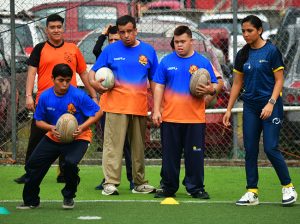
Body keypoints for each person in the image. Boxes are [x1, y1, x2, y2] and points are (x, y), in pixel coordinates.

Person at [14, 13, 98, 184]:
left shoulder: (73, 49)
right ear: (46, 30)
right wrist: (29, 96)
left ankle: (64, 173)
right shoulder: (40, 48)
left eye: (59, 27)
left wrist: (94, 95)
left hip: (70, 104)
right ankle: (30, 172)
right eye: (52, 27)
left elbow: (82, 72)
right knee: (36, 138)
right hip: (46, 103)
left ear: (63, 28)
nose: (56, 30)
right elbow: (31, 73)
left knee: (67, 136)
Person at [223, 15, 297, 206]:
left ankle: (288, 187)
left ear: (260, 30)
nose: (246, 34)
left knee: (271, 148)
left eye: (250, 31)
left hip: (271, 106)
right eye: (244, 31)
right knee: (250, 150)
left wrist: (271, 103)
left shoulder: (271, 51)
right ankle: (252, 192)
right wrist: (228, 109)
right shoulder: (242, 55)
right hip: (250, 107)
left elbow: (280, 80)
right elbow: (237, 83)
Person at [16, 63, 102, 210]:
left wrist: (81, 127)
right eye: (60, 80)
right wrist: (51, 127)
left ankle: (69, 195)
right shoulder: (45, 97)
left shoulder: (78, 95)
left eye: (68, 80)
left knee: (69, 164)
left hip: (78, 138)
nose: (64, 84)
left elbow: (98, 112)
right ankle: (31, 200)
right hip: (54, 136)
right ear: (53, 79)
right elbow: (39, 121)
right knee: (33, 164)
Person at [89, 15, 157, 195]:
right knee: (113, 147)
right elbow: (92, 74)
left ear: (136, 30)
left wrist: (158, 107)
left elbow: (156, 82)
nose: (126, 35)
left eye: (129, 31)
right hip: (115, 107)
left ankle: (139, 183)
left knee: (138, 148)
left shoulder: (148, 51)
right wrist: (95, 84)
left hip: (139, 107)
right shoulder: (110, 51)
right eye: (122, 32)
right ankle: (110, 183)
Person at [152, 25, 218, 199]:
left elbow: (215, 86)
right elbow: (158, 86)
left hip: (195, 119)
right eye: (176, 42)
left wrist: (210, 90)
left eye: (182, 41)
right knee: (169, 156)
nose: (179, 45)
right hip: (170, 118)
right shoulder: (166, 61)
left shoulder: (203, 62)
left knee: (194, 156)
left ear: (191, 41)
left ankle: (196, 188)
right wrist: (156, 110)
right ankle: (168, 187)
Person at [92, 24, 134, 191]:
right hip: (108, 107)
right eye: (111, 40)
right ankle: (107, 179)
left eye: (117, 39)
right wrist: (103, 34)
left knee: (128, 145)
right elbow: (96, 50)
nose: (114, 42)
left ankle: (133, 179)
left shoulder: (128, 56)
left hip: (126, 106)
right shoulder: (106, 56)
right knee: (110, 145)